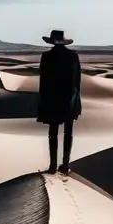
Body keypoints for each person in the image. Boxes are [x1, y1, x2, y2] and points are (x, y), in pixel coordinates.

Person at [37, 29, 82, 175]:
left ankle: (53, 165)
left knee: (53, 133)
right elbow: (77, 81)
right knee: (68, 132)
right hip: (69, 98)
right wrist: (76, 101)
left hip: (52, 99)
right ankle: (65, 164)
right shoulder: (73, 56)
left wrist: (43, 101)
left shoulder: (46, 56)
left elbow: (43, 81)